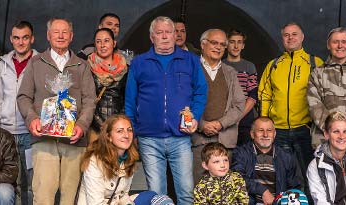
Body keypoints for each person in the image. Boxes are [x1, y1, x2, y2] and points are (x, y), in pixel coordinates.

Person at [125, 16, 208, 204]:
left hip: (180, 136)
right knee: (156, 195)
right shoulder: (139, 62)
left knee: (186, 192)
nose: (164, 36)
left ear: (175, 35)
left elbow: (201, 92)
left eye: (168, 32)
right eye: (159, 32)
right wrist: (133, 131)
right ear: (152, 37)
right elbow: (130, 100)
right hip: (148, 138)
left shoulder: (190, 60)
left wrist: (194, 117)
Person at [17, 17, 96, 205]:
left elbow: (90, 100)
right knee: (43, 194)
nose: (60, 36)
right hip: (44, 138)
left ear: (71, 36)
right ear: (48, 35)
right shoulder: (36, 63)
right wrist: (32, 119)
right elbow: (23, 97)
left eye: (65, 32)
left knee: (70, 196)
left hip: (74, 140)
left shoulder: (81, 65)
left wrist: (82, 125)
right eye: (56, 32)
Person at [257, 22, 324, 183]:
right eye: (286, 35)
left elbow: (325, 96)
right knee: (280, 176)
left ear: (302, 37)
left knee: (312, 176)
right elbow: (265, 95)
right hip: (278, 131)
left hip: (305, 129)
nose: (290, 37)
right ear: (282, 39)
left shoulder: (315, 63)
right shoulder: (273, 65)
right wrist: (266, 125)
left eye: (294, 34)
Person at [191, 28, 245, 182]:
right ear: (203, 44)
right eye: (214, 42)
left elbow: (239, 105)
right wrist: (201, 125)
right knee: (197, 188)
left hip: (225, 140)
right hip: (198, 140)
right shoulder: (191, 69)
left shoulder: (230, 72)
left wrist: (220, 124)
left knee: (224, 190)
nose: (218, 47)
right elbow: (183, 103)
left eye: (222, 44)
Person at [0, 19, 37, 204]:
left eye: (25, 38)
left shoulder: (40, 62)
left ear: (32, 39)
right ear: (11, 39)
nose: (21, 42)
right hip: (7, 133)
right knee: (12, 181)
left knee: (33, 182)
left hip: (30, 133)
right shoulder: (3, 63)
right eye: (17, 38)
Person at [231, 117, 301, 205]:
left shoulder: (286, 156)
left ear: (274, 134)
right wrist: (263, 191)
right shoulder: (241, 153)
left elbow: (294, 187)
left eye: (269, 130)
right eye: (261, 130)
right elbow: (237, 178)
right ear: (252, 134)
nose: (265, 135)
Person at [77, 114, 140, 205]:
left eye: (129, 130)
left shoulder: (129, 158)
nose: (126, 135)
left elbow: (123, 195)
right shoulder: (94, 161)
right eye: (120, 131)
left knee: (154, 197)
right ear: (108, 136)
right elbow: (96, 203)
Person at [87, 28, 129, 141]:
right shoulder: (87, 67)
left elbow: (128, 99)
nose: (102, 45)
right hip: (94, 127)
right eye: (98, 41)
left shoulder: (125, 68)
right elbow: (86, 99)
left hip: (119, 127)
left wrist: (116, 124)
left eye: (106, 41)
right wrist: (102, 125)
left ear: (114, 43)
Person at [223, 29, 258, 147]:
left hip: (245, 118)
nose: (236, 45)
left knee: (245, 154)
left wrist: (237, 117)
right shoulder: (220, 65)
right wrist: (229, 119)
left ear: (243, 45)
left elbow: (253, 96)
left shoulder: (249, 66)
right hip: (224, 117)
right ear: (226, 44)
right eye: (232, 42)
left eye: (239, 42)